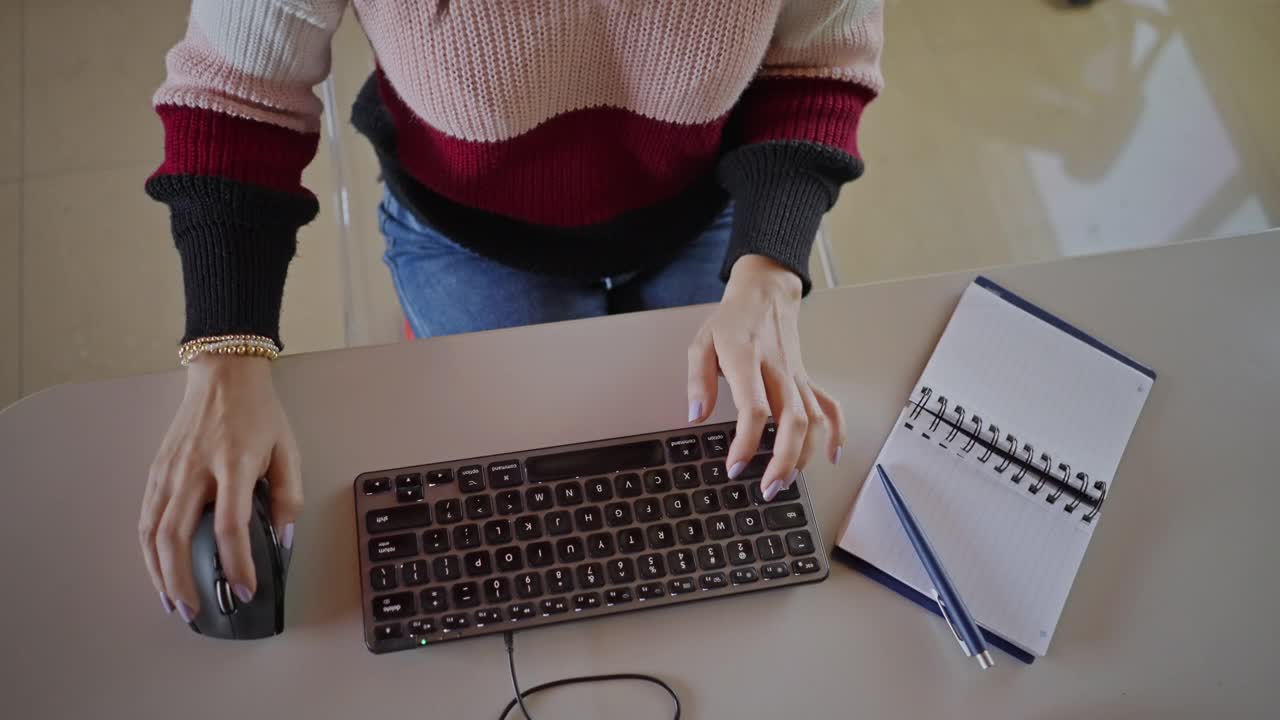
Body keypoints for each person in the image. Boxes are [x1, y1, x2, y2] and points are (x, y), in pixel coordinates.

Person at [140, 1, 884, 623]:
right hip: (468, 233)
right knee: (522, 528)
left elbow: (813, 68)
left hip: (705, 210)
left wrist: (771, 269)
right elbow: (238, 96)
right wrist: (225, 352)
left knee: (717, 509)